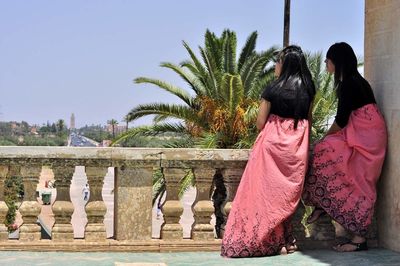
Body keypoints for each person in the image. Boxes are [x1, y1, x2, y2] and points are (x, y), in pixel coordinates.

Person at [221, 45, 316, 257]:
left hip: (272, 148)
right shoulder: (309, 89)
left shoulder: (272, 89)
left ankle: (270, 242)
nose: (275, 65)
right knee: (284, 198)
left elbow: (260, 122)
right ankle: (284, 240)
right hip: (296, 149)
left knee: (265, 196)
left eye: (279, 61)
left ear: (285, 64)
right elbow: (308, 119)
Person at [302, 42, 387, 252]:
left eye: (328, 60)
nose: (325, 64)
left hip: (367, 141)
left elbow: (340, 121)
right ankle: (322, 204)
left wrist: (322, 138)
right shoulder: (355, 81)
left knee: (356, 179)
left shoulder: (350, 83)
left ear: (337, 62)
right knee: (343, 168)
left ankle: (358, 240)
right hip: (365, 136)